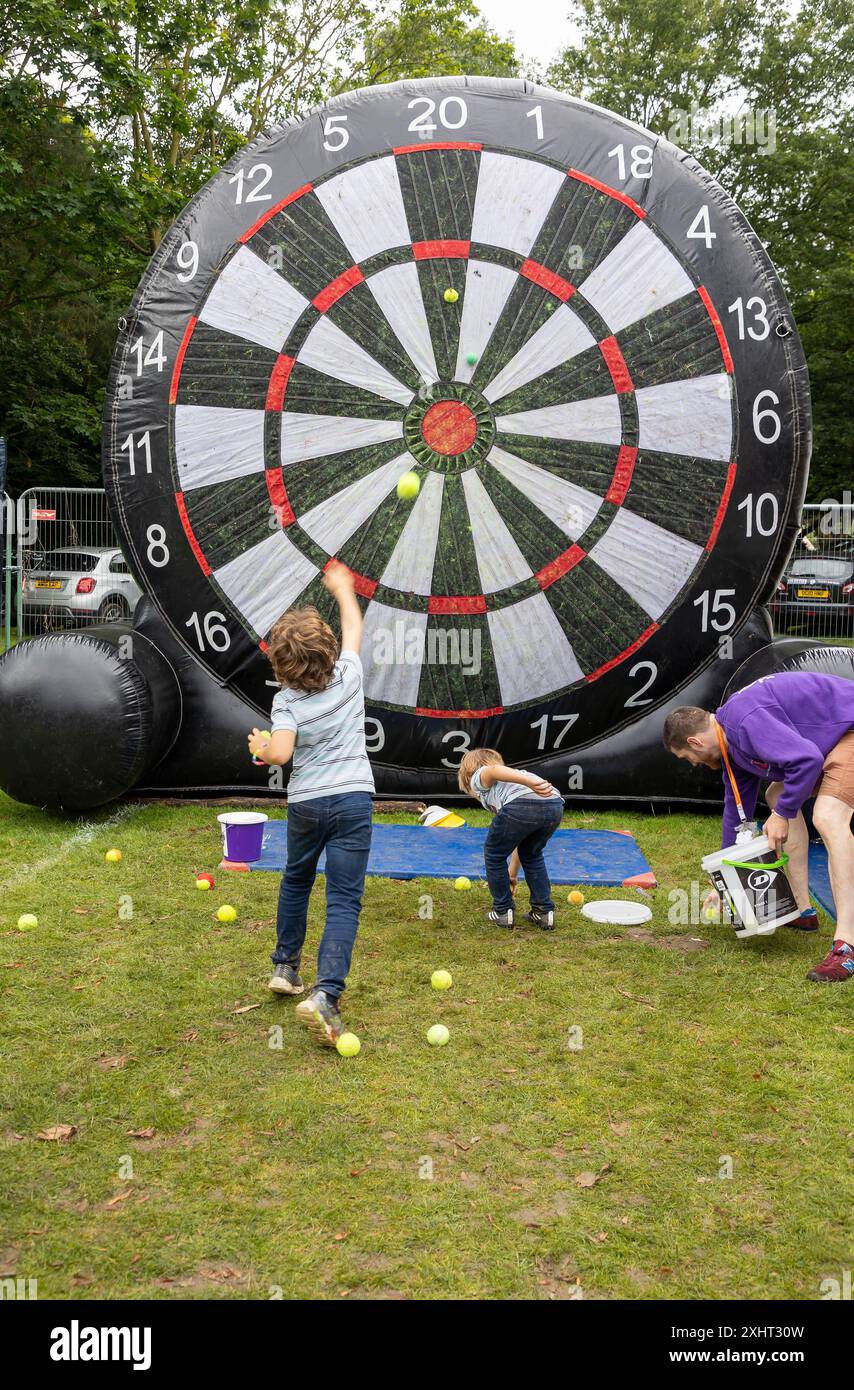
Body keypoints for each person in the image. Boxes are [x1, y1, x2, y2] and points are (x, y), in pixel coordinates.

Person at [248, 562, 374, 1045]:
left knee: (296, 879)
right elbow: (354, 627)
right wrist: (344, 589)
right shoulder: (349, 674)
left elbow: (279, 753)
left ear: (281, 665)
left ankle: (284, 967)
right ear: (329, 652)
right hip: (353, 801)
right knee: (344, 899)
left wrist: (261, 747)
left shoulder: (285, 702)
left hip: (306, 804)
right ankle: (326, 996)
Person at [663, 671, 854, 984]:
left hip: (850, 729)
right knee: (777, 793)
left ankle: (847, 945)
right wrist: (721, 879)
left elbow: (805, 760)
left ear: (695, 741)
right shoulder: (731, 749)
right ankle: (802, 912)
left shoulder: (743, 722)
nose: (693, 764)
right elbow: (736, 813)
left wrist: (782, 814)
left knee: (828, 816)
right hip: (834, 739)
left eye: (687, 757)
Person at [458, 748, 563, 928]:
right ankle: (543, 912)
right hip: (554, 805)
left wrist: (529, 782)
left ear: (468, 774)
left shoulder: (480, 775)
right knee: (531, 853)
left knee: (493, 854)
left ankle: (502, 911)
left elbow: (492, 770)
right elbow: (518, 839)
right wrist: (511, 873)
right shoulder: (506, 787)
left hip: (524, 802)